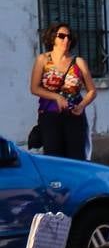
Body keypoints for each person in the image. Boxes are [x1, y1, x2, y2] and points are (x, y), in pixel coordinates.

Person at [29, 22, 96, 160]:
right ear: (53, 37)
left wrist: (81, 106)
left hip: (74, 116)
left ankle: (76, 182)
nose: (66, 40)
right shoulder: (43, 60)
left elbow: (92, 91)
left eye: (69, 37)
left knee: (76, 157)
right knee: (54, 157)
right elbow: (34, 88)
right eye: (61, 36)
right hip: (49, 116)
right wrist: (56, 97)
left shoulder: (78, 62)